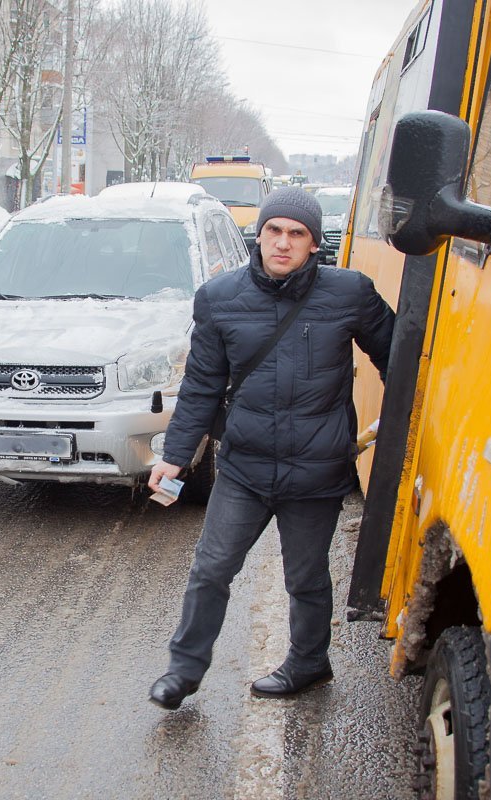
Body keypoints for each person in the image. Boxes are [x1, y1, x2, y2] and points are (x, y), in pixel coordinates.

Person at [147, 186, 396, 710]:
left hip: (317, 470)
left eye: (296, 234)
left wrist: (399, 418)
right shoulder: (220, 299)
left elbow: (398, 355)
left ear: (312, 243)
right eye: (274, 231)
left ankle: (309, 662)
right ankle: (183, 671)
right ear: (258, 236)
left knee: (305, 576)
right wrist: (175, 454)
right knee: (211, 569)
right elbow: (201, 386)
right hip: (244, 467)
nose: (283, 243)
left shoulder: (349, 293)